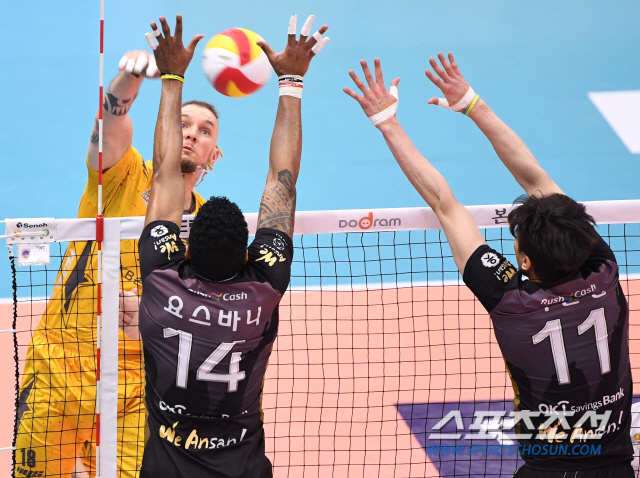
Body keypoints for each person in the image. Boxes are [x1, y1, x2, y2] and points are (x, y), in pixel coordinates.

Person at [344, 54, 633, 476]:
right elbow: (536, 181)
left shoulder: (510, 300)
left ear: (524, 261)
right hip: (616, 467)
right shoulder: (602, 272)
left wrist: (387, 122)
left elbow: (445, 204)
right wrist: (473, 104)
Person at [14, 29, 222, 478]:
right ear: (163, 131)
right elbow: (111, 126)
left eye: (204, 131)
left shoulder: (213, 227)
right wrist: (128, 81)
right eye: (183, 123)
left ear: (214, 155)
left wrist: (149, 314)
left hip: (139, 383)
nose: (191, 134)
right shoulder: (122, 174)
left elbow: (211, 316)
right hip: (60, 365)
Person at [136, 13, 328, 478]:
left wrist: (171, 77)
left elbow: (164, 174)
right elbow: (282, 181)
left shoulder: (162, 280)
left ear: (184, 249)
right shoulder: (262, 289)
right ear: (248, 255)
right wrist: (291, 83)